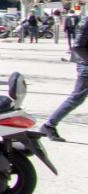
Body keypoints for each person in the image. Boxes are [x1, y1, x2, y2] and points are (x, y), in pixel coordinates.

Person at [37, 14, 86, 143]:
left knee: (77, 98)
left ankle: (49, 125)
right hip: (86, 65)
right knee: (76, 98)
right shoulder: (86, 21)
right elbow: (78, 47)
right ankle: (49, 126)